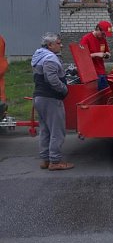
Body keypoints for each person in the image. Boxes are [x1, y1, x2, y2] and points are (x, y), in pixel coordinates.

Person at [32, 32, 74, 171]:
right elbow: (52, 79)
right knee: (57, 131)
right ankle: (55, 161)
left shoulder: (39, 56)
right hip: (50, 98)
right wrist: (64, 90)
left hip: (40, 97)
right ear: (49, 45)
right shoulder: (50, 58)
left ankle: (45, 160)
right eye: (58, 43)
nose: (60, 45)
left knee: (45, 130)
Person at [80, 20, 113, 90]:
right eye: (103, 34)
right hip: (91, 74)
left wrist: (107, 54)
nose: (104, 36)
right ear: (98, 29)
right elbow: (81, 56)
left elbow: (107, 51)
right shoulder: (86, 39)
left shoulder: (103, 39)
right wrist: (96, 54)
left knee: (104, 94)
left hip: (101, 72)